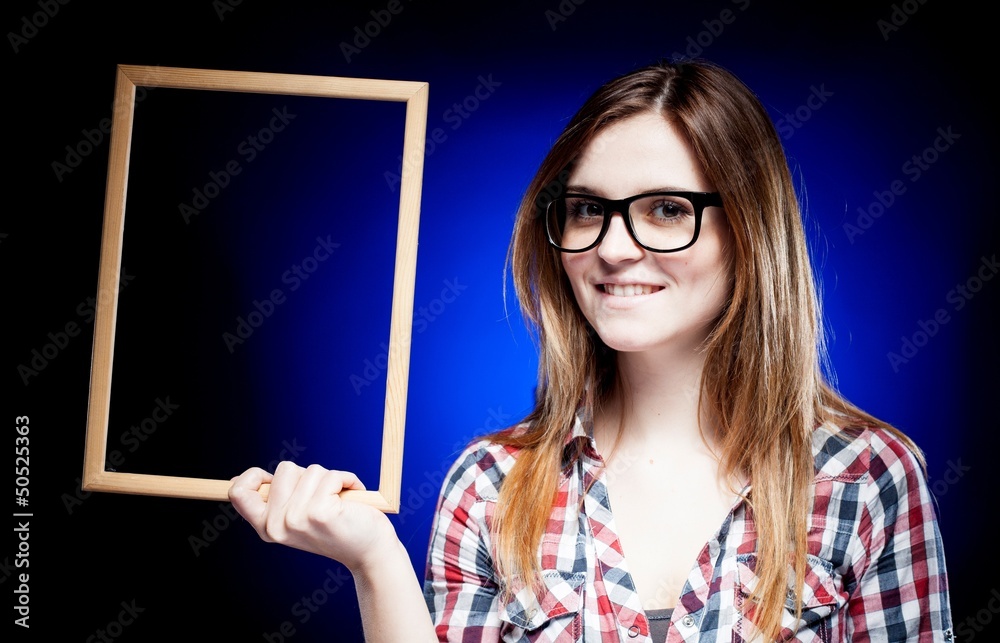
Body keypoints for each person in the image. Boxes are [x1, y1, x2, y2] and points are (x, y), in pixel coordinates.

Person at [229, 59, 953, 642]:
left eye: (666, 209)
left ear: (750, 233)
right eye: (587, 208)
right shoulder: (490, 487)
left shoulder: (866, 479)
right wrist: (373, 561)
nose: (611, 247)